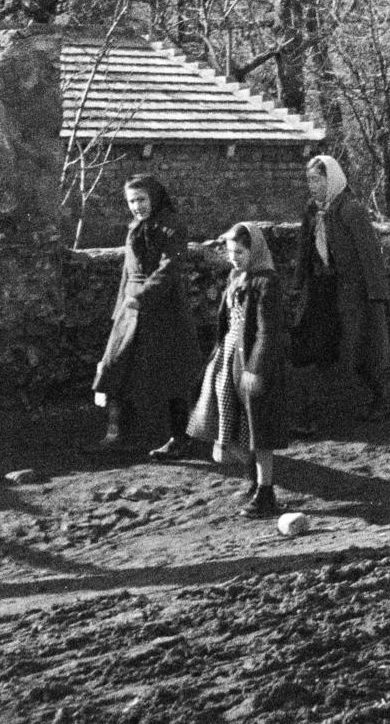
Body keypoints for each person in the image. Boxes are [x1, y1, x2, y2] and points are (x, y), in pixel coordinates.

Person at [92, 174, 202, 460]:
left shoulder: (172, 227)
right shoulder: (135, 228)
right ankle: (118, 435)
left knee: (171, 373)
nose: (137, 206)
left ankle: (180, 437)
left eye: (141, 199)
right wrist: (122, 308)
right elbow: (128, 272)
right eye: (131, 201)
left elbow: (169, 268)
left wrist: (142, 297)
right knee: (117, 365)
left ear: (154, 197)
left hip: (164, 308)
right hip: (131, 307)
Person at [187, 222, 289, 519]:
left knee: (260, 430)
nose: (234, 257)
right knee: (235, 424)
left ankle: (266, 492)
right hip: (230, 357)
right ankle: (253, 481)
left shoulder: (266, 282)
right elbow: (228, 321)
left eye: (240, 252)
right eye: (230, 252)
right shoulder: (236, 276)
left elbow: (268, 332)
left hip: (255, 364)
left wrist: (255, 369)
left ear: (254, 250)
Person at [290, 153, 390, 425]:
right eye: (309, 180)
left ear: (331, 179)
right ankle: (313, 410)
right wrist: (297, 285)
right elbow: (304, 250)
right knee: (318, 344)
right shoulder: (312, 211)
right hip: (322, 288)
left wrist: (376, 296)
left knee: (358, 343)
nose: (313, 186)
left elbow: (369, 255)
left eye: (318, 180)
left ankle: (380, 396)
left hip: (352, 289)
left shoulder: (350, 210)